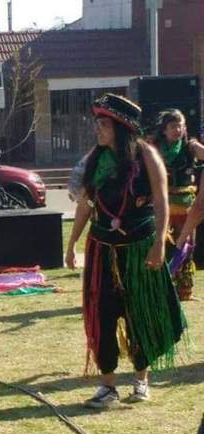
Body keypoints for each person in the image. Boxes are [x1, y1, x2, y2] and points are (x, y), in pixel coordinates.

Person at [65, 93, 187, 409]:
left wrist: (160, 243)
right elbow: (86, 204)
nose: (98, 130)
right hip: (102, 248)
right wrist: (72, 243)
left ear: (120, 127)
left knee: (140, 313)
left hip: (139, 248)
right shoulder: (95, 159)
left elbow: (161, 203)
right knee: (101, 313)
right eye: (97, 124)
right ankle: (107, 387)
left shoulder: (147, 155)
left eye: (103, 124)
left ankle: (141, 381)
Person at [150, 109, 204, 300]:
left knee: (186, 247)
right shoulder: (153, 148)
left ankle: (184, 292)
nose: (178, 129)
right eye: (173, 126)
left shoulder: (190, 146)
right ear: (164, 130)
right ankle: (158, 287)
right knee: (160, 246)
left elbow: (201, 152)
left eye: (181, 125)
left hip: (186, 207)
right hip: (161, 207)